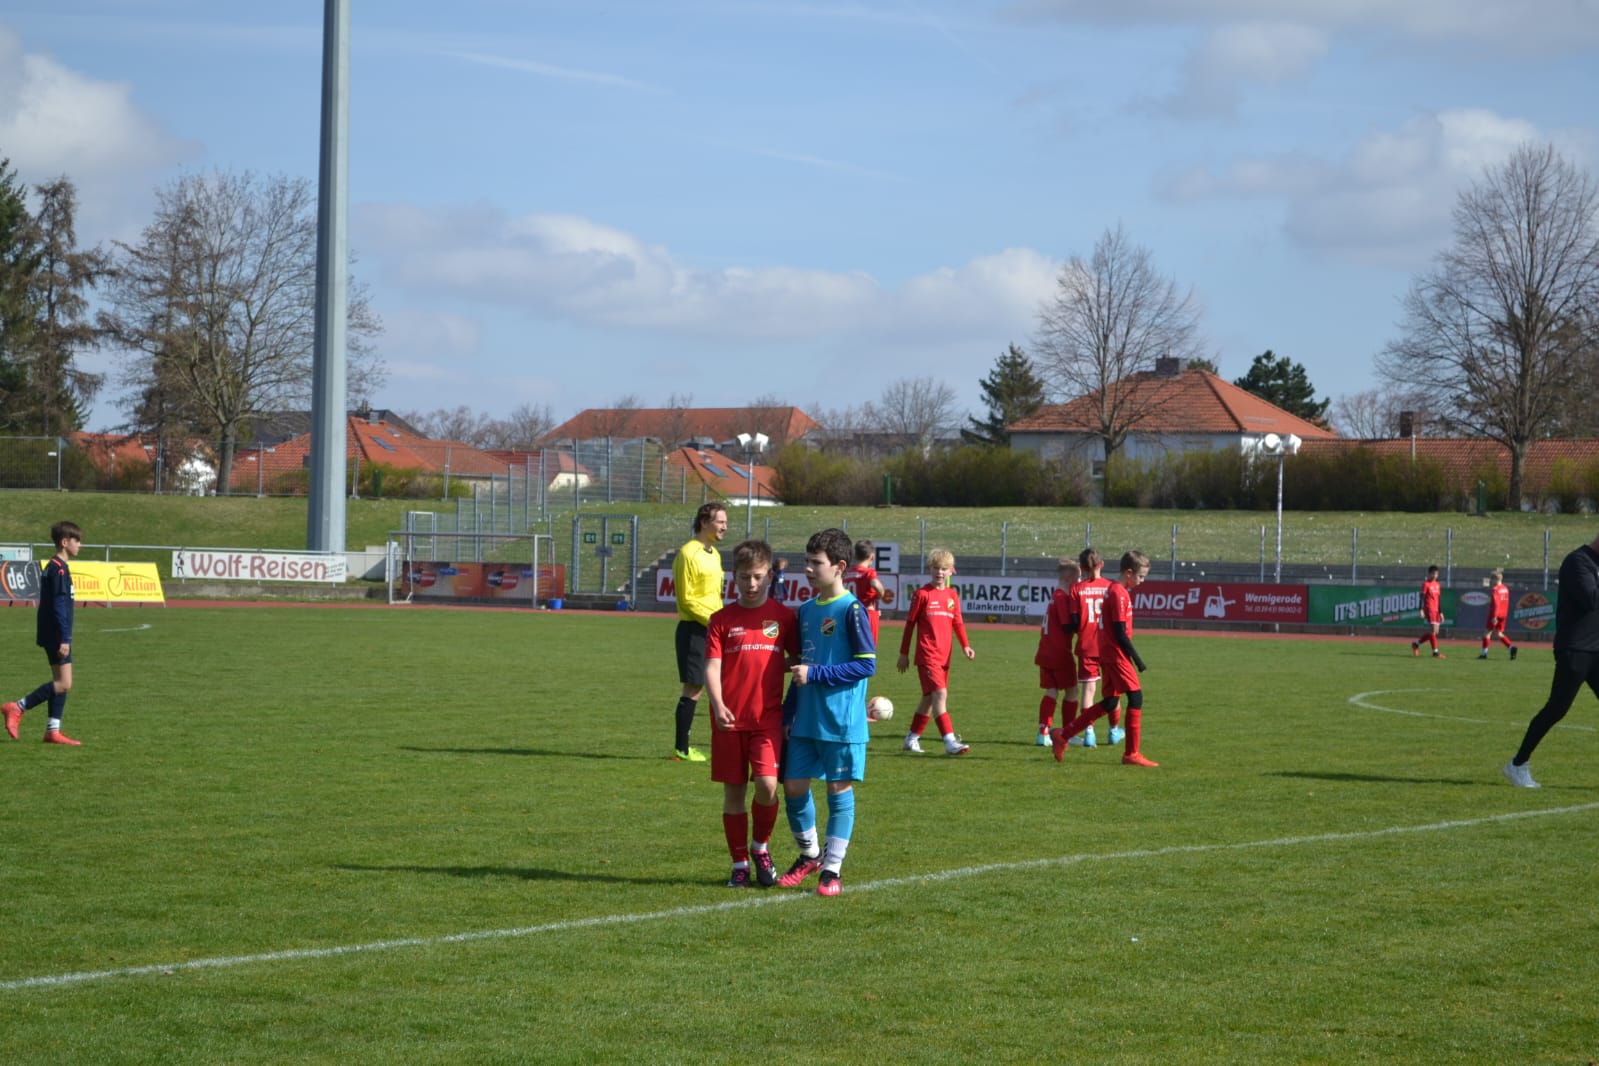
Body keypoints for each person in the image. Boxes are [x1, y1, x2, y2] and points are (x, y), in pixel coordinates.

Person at [776, 528, 876, 896]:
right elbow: (800, 666)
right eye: (807, 561)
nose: (808, 569)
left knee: (837, 791)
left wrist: (815, 674)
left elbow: (866, 665)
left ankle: (831, 870)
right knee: (793, 786)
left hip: (841, 722)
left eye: (816, 563)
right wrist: (788, 715)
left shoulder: (852, 610)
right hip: (805, 719)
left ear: (839, 567)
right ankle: (810, 855)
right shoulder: (803, 611)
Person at [704, 540, 799, 887]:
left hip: (767, 720)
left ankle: (760, 846)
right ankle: (739, 864)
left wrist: (784, 666)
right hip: (728, 721)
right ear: (734, 577)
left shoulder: (784, 617)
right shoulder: (721, 620)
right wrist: (717, 704)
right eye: (744, 577)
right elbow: (712, 667)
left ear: (770, 574)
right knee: (733, 794)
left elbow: (800, 660)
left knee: (767, 785)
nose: (752, 584)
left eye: (758, 577)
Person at [1503, 531, 1599, 788]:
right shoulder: (1577, 562)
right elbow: (1591, 599)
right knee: (1557, 708)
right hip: (1575, 648)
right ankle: (1517, 764)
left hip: (1597, 649)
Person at [1053, 550, 1157, 767]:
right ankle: (1131, 753)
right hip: (1116, 653)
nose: (1143, 581)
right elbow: (1119, 631)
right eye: (1140, 576)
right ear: (1129, 573)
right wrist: (1137, 660)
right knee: (1136, 697)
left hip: (1108, 652)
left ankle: (1064, 734)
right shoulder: (1119, 593)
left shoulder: (1113, 589)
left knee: (1110, 702)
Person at [4, 520, 84, 745]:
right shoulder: (58, 569)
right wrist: (65, 637)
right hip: (57, 634)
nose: (80, 545)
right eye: (77, 540)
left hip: (53, 632)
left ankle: (53, 730)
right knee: (64, 683)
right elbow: (59, 606)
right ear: (65, 542)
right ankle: (18, 707)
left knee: (60, 680)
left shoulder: (56, 567)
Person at [896, 548, 976, 756]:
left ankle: (911, 739)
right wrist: (903, 653)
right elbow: (910, 624)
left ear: (951, 571)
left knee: (929, 698)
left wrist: (965, 645)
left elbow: (957, 622)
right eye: (935, 568)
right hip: (927, 655)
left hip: (944, 656)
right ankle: (950, 741)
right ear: (929, 569)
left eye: (944, 568)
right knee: (940, 694)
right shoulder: (922, 594)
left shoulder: (952, 596)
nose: (939, 572)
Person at [669, 501, 728, 762]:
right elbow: (687, 600)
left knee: (716, 685)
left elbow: (714, 595)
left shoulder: (714, 554)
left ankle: (725, 741)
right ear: (704, 522)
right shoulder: (687, 554)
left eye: (726, 522)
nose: (725, 526)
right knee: (693, 688)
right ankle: (681, 749)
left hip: (714, 628)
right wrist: (715, 621)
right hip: (695, 629)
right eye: (720, 521)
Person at [1067, 547, 1120, 749]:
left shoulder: (1076, 589)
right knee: (1113, 691)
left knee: (1088, 691)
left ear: (1081, 567)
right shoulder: (1111, 587)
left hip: (1086, 646)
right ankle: (1113, 731)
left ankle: (1089, 733)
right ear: (1102, 564)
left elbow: (1073, 622)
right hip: (1108, 647)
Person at [1033, 559, 1080, 747]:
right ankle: (1068, 733)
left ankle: (1043, 732)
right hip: (1059, 652)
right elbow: (1067, 625)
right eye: (1078, 578)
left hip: (1045, 649)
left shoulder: (1055, 595)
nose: (1079, 582)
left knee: (1051, 691)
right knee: (1072, 690)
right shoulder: (1062, 597)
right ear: (1069, 578)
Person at [844, 539, 887, 649]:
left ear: (855, 556)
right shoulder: (868, 572)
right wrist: (880, 595)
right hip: (867, 613)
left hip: (851, 614)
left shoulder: (848, 573)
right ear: (872, 557)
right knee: (868, 651)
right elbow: (876, 585)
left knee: (853, 649)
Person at [1480, 569, 1518, 661]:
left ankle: (1484, 654)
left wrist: (1494, 616)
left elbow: (1496, 604)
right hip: (1503, 614)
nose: (1491, 582)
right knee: (1499, 633)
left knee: (1487, 633)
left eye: (1491, 579)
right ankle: (1511, 647)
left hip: (1495, 614)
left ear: (1495, 579)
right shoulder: (1505, 588)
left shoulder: (1495, 590)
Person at [1411, 565, 1446, 659]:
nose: (1435, 575)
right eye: (1433, 573)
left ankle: (1416, 644)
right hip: (1429, 609)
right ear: (1429, 574)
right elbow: (1422, 597)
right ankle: (1435, 652)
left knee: (1434, 632)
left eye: (1436, 574)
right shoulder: (1426, 584)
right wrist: (1421, 609)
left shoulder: (1437, 585)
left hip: (1436, 610)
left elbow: (1439, 599)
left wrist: (1441, 612)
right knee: (1433, 631)